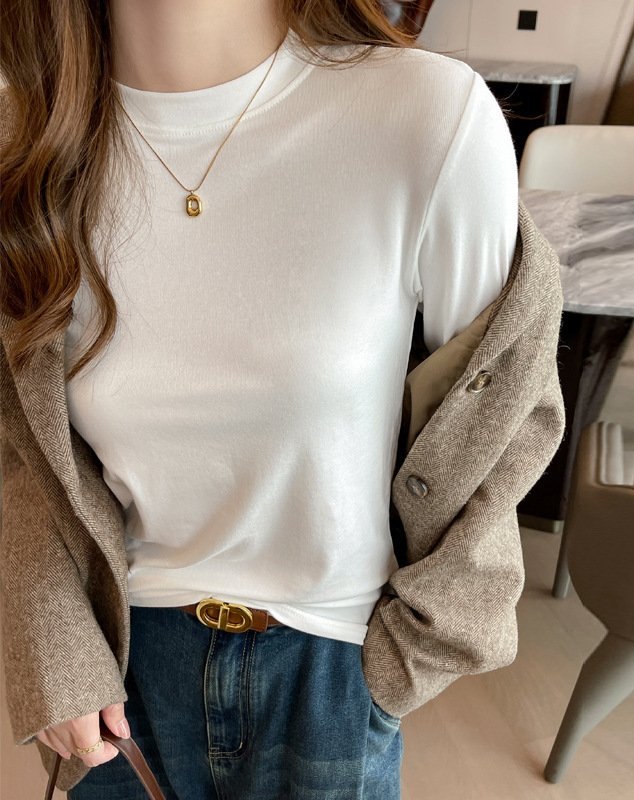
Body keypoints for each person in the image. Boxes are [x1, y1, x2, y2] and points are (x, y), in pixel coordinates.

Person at [0, 1, 565, 798]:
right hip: (114, 668)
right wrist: (51, 646)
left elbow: (503, 419)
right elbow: (18, 446)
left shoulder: (424, 114)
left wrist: (408, 659)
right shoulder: (25, 141)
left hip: (329, 666)